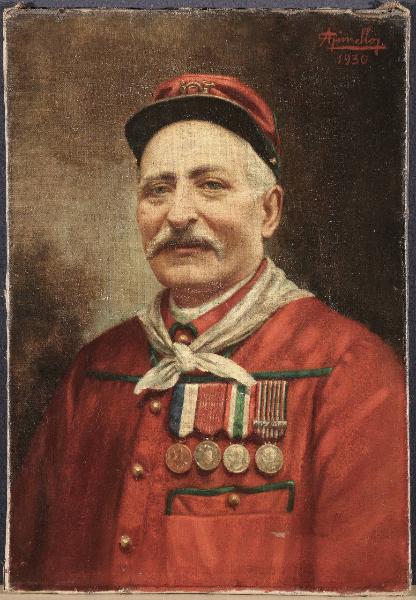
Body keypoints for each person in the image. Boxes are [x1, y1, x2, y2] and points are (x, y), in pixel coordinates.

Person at [9, 74, 409, 592]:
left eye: (211, 185)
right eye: (158, 190)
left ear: (268, 211)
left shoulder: (352, 371)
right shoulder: (93, 370)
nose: (178, 214)